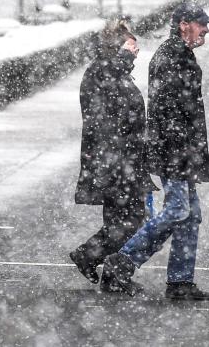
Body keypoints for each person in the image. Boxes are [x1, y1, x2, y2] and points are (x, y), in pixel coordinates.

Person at [100, 2, 209, 301]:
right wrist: (180, 148)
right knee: (178, 210)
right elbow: (166, 111)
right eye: (201, 24)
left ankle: (180, 282)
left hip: (183, 150)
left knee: (190, 215)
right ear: (184, 25)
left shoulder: (181, 55)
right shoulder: (170, 57)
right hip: (174, 151)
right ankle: (120, 264)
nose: (206, 29)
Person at [68, 20, 150, 284]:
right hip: (112, 161)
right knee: (129, 219)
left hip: (122, 158)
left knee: (126, 219)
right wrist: (125, 55)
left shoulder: (112, 72)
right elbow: (111, 93)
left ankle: (109, 274)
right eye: (131, 50)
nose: (135, 56)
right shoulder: (101, 71)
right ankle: (88, 256)